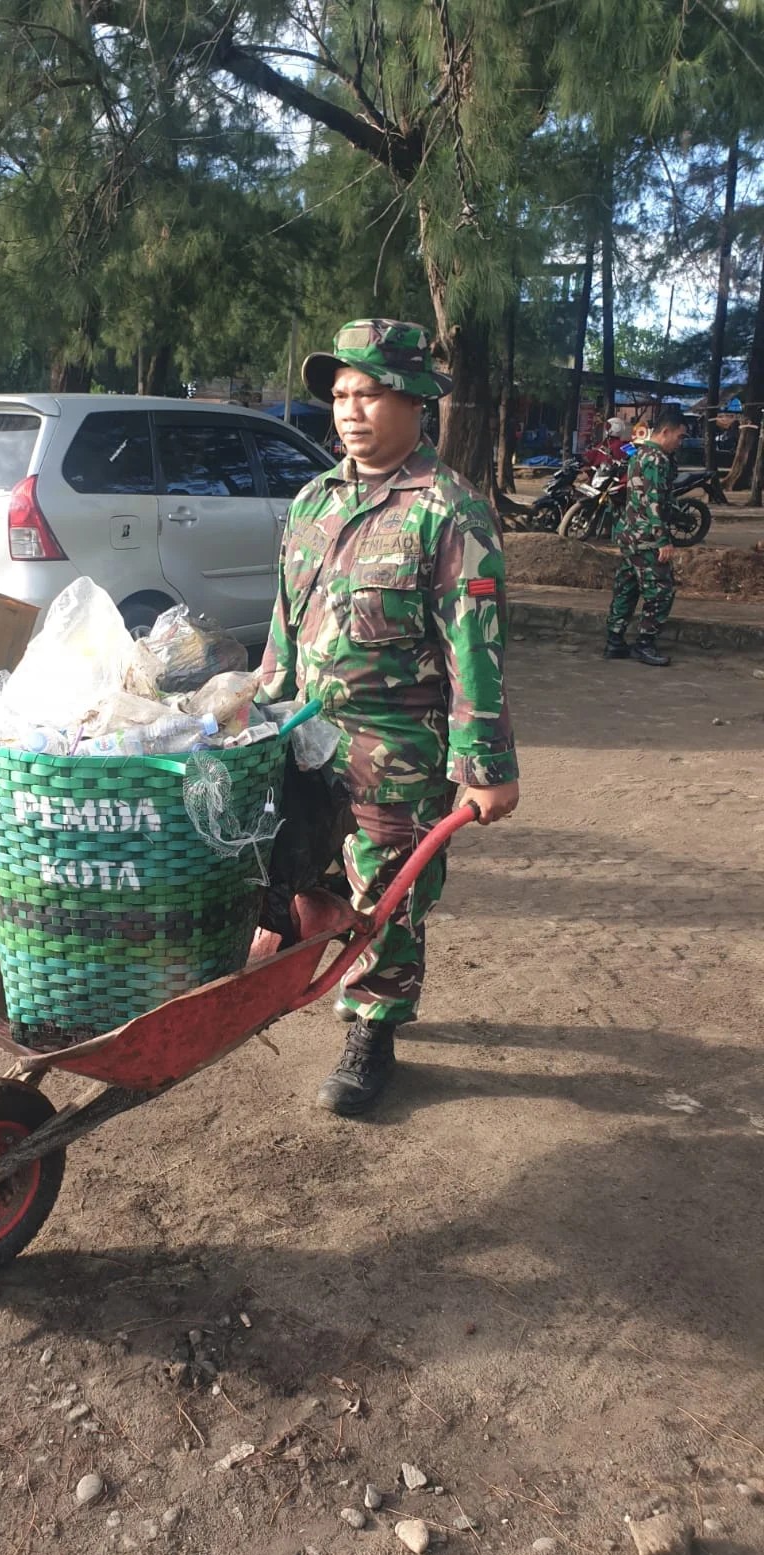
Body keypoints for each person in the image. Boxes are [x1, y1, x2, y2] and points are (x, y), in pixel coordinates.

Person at [259, 319, 520, 1119]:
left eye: (368, 393)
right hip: (304, 737)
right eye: (340, 395)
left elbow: (474, 653)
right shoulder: (314, 499)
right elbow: (284, 621)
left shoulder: (451, 512)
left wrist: (486, 767)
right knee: (293, 868)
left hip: (397, 750)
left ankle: (373, 1032)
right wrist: (256, 707)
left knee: (386, 897)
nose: (350, 410)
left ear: (415, 401)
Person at [603, 403, 687, 669]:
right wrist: (663, 539)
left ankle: (614, 640)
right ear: (665, 431)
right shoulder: (656, 459)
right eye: (680, 436)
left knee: (627, 587)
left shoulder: (639, 454)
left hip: (629, 534)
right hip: (647, 537)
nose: (680, 442)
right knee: (661, 590)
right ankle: (645, 643)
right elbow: (654, 501)